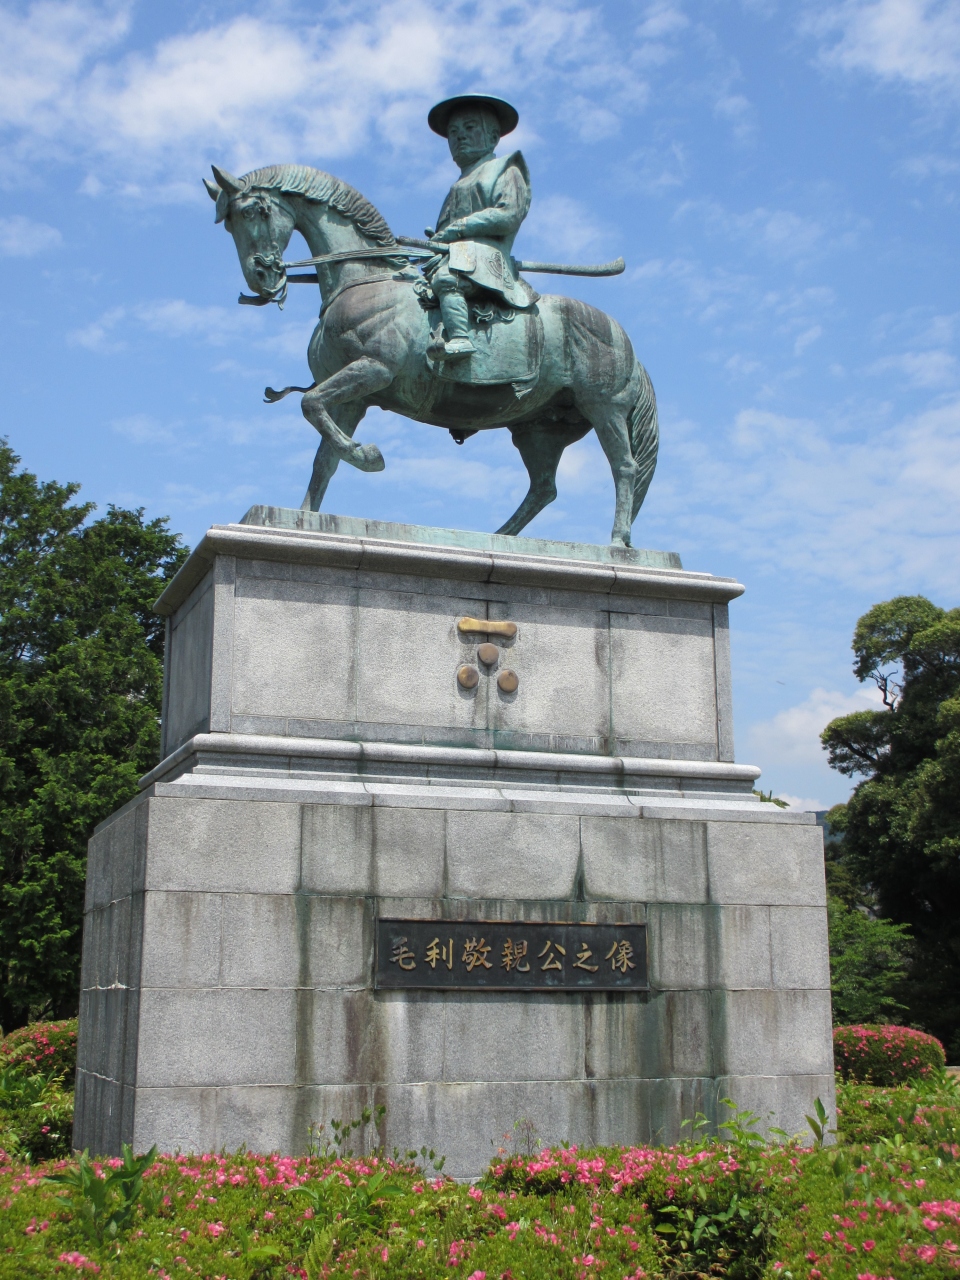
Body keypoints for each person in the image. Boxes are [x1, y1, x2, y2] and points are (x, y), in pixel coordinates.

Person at [424, 94, 538, 360]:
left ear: (493, 136)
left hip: (486, 257)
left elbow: (508, 214)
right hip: (454, 256)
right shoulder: (459, 183)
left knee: (447, 280)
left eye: (470, 128)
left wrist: (459, 228)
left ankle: (461, 340)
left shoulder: (505, 169)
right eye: (453, 132)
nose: (459, 137)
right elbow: (445, 231)